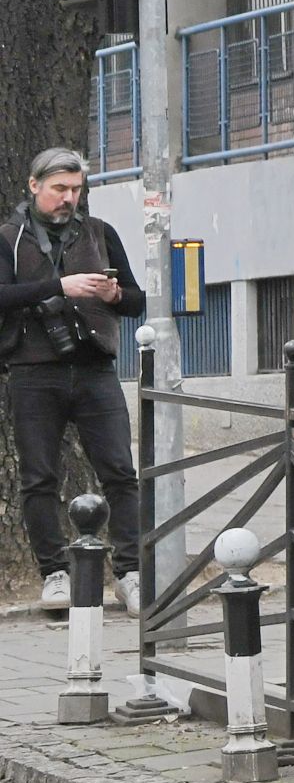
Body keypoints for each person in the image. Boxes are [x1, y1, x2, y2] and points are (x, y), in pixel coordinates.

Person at [3, 147, 145, 607]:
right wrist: (58, 287)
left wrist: (115, 292)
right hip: (32, 371)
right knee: (38, 478)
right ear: (34, 186)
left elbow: (137, 301)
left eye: (76, 190)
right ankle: (55, 574)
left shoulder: (101, 233)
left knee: (121, 474)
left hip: (95, 369)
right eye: (59, 189)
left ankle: (130, 572)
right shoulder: (9, 237)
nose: (69, 199)